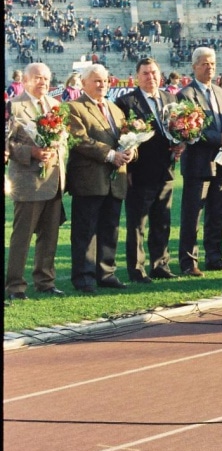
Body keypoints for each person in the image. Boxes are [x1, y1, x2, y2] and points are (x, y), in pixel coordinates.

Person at [66, 64, 135, 292]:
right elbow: (79, 140)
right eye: (96, 80)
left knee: (110, 228)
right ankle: (84, 277)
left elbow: (128, 138)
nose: (101, 84)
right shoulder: (74, 107)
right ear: (83, 83)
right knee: (85, 231)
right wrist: (111, 155)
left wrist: (132, 151)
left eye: (105, 81)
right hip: (89, 180)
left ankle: (106, 273)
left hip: (116, 180)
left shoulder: (115, 109)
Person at [115, 57, 183, 283]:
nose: (150, 77)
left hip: (167, 169)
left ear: (160, 75)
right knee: (138, 223)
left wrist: (181, 143)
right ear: (137, 77)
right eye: (145, 73)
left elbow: (178, 130)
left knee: (162, 220)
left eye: (154, 72)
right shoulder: (126, 102)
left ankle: (160, 265)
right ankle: (136, 269)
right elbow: (123, 139)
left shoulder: (170, 98)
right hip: (140, 172)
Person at [5, 62, 68, 300]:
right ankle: (15, 286)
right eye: (37, 78)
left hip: (53, 180)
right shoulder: (14, 106)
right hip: (28, 183)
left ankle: (45, 281)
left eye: (46, 78)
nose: (43, 82)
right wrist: (31, 153)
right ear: (25, 81)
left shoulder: (55, 106)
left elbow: (62, 141)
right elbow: (8, 143)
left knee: (49, 236)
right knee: (22, 237)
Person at [177, 47, 222, 276]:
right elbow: (192, 131)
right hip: (198, 163)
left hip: (220, 162)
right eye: (204, 63)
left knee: (217, 212)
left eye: (212, 63)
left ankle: (215, 256)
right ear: (194, 67)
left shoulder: (220, 92)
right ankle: (188, 261)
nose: (209, 67)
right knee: (193, 215)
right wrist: (219, 137)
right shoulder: (186, 94)